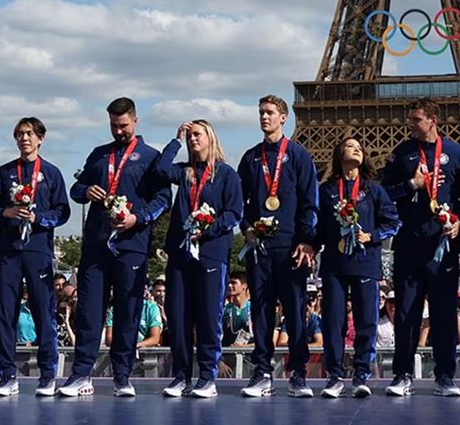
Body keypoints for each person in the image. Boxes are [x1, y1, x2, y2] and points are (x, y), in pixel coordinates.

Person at [59, 97, 171, 398]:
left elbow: (164, 200)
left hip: (131, 244)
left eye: (122, 125)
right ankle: (81, 373)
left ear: (135, 121)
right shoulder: (98, 155)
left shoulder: (151, 157)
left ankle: (122, 375)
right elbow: (75, 189)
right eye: (113, 125)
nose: (118, 131)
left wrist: (138, 218)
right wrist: (86, 191)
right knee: (89, 312)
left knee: (127, 312)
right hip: (96, 245)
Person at [378, 99, 460, 397]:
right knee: (407, 314)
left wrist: (459, 222)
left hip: (444, 246)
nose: (410, 124)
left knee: (445, 314)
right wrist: (412, 184)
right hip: (409, 245)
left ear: (433, 120)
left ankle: (445, 375)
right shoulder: (402, 154)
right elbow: (382, 193)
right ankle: (402, 374)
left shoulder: (458, 154)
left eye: (416, 119)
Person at [145, 119, 243, 398]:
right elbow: (160, 169)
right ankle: (181, 375)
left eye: (196, 134)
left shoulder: (226, 174)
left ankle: (208, 377)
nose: (192, 139)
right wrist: (175, 140)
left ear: (210, 137)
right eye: (189, 136)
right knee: (178, 315)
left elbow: (234, 212)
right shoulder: (185, 172)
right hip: (180, 252)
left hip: (211, 253)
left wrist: (207, 228)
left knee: (208, 316)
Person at [235, 94, 320, 397]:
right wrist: (245, 228)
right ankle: (262, 373)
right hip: (259, 246)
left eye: (270, 112)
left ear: (284, 117)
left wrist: (307, 241)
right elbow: (237, 200)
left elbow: (311, 202)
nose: (264, 117)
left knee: (295, 312)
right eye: (261, 112)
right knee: (260, 312)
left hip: (290, 247)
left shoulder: (299, 156)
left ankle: (298, 374)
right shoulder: (250, 158)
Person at [0, 117, 72, 397]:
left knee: (43, 313)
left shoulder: (51, 172)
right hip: (9, 250)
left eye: (29, 134)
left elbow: (63, 212)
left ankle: (48, 375)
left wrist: (39, 218)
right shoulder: (5, 171)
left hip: (37, 249)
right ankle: (7, 375)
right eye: (20, 134)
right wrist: (6, 213)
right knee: (6, 313)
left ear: (40, 138)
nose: (24, 139)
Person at [315, 134, 399, 398]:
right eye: (351, 146)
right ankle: (335, 375)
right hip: (334, 264)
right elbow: (317, 228)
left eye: (361, 147)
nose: (357, 150)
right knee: (333, 322)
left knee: (366, 322)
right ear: (340, 153)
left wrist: (371, 236)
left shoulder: (373, 189)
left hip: (365, 262)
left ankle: (361, 373)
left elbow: (393, 222)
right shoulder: (327, 190)